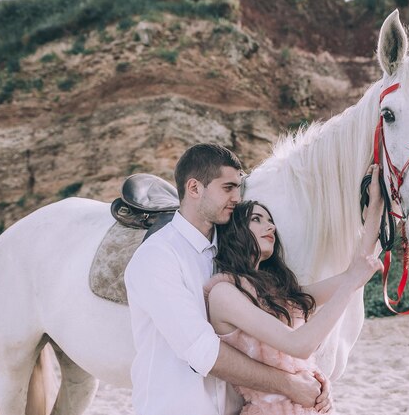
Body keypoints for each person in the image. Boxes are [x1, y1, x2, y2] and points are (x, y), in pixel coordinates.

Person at [124, 143, 330, 415]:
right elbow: (202, 352)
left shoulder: (234, 251)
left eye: (238, 188)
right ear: (195, 188)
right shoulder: (158, 256)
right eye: (227, 188)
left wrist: (312, 379)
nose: (237, 197)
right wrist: (289, 385)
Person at [204, 165, 384, 414]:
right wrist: (350, 285)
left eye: (270, 221)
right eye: (256, 219)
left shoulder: (278, 291)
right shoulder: (224, 293)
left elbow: (357, 268)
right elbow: (300, 344)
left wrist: (375, 205)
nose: (271, 227)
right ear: (235, 232)